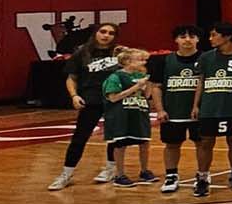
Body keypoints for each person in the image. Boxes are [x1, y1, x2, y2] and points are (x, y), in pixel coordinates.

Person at [48, 22, 124, 191]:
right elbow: (71, 77)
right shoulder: (82, 52)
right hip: (91, 99)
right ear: (96, 33)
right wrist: (74, 96)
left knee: (115, 137)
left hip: (114, 99)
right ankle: (66, 174)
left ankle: (111, 169)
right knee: (79, 138)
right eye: (103, 31)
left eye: (111, 33)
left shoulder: (120, 52)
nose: (106, 35)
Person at [192, 22, 232, 197]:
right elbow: (201, 81)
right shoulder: (206, 57)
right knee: (206, 142)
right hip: (209, 106)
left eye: (214, 35)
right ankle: (203, 177)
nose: (210, 38)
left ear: (227, 36)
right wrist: (196, 105)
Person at [151, 25, 202, 194]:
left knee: (202, 144)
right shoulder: (164, 60)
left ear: (198, 39)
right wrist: (160, 110)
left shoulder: (206, 59)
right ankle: (171, 175)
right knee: (172, 145)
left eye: (191, 36)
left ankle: (202, 175)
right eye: (183, 36)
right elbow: (156, 87)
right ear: (176, 40)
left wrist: (199, 106)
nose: (187, 39)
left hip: (198, 113)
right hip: (173, 112)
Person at [101, 47, 154, 187]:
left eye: (145, 60)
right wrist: (135, 87)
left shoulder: (141, 76)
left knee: (144, 142)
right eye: (140, 59)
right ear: (127, 61)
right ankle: (119, 175)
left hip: (139, 112)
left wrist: (149, 83)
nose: (144, 62)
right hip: (121, 115)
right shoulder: (115, 77)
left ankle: (144, 171)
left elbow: (147, 96)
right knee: (120, 144)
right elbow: (113, 98)